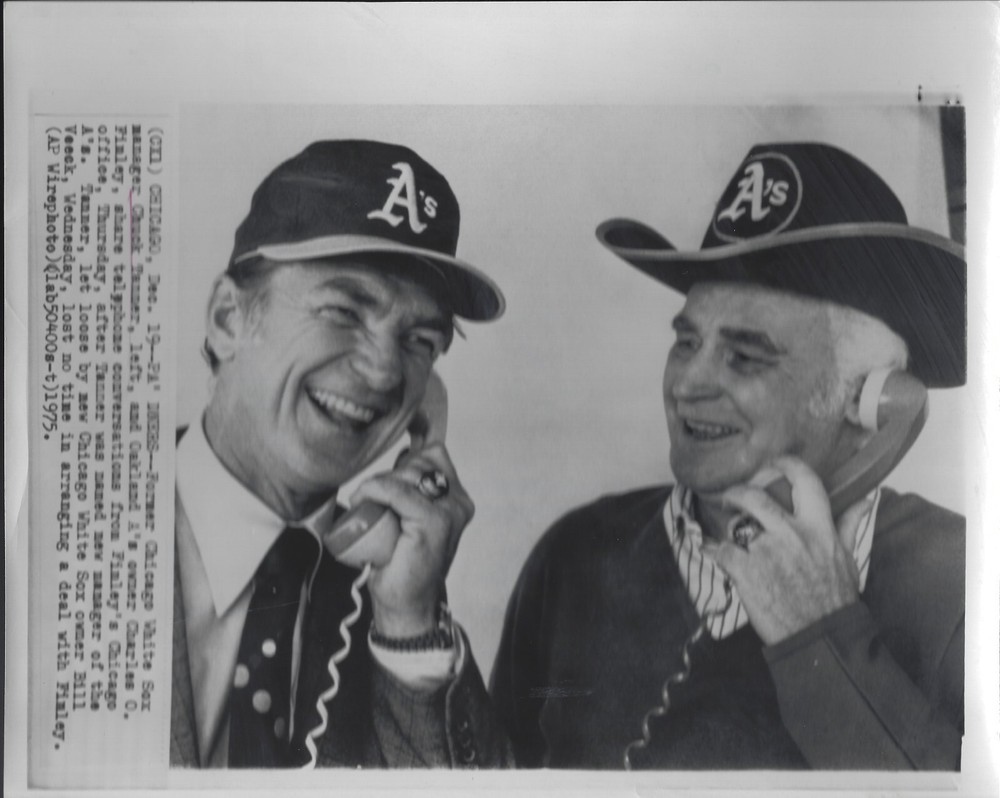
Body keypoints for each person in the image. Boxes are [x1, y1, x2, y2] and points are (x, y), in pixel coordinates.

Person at [491, 142, 966, 770]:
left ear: (874, 401)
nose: (687, 384)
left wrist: (823, 636)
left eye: (745, 356)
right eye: (687, 343)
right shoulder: (575, 555)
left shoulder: (962, 580)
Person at [171, 140, 512, 768]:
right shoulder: (71, 528)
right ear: (227, 319)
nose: (384, 373)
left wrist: (410, 627)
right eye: (343, 311)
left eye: (421, 340)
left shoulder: (393, 591)